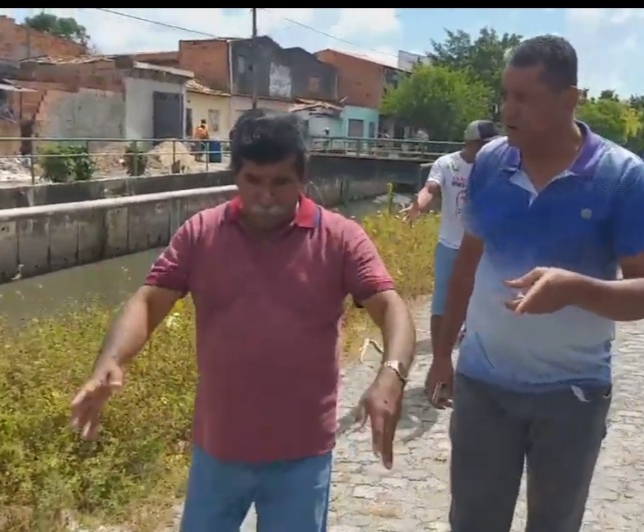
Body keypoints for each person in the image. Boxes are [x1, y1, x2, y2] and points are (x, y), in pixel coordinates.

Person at [70, 110, 416, 532]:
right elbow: (148, 301)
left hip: (302, 454)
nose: (266, 196)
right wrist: (112, 360)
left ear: (303, 179)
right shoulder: (202, 233)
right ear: (236, 176)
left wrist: (391, 375)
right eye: (253, 180)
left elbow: (390, 306)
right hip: (218, 451)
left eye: (280, 182)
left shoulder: (340, 238)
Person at [426, 35, 644, 532]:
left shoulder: (620, 177)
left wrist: (574, 287)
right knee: (472, 521)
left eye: (525, 98)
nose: (508, 111)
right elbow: (466, 266)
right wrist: (442, 355)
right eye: (505, 95)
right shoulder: (490, 163)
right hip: (483, 388)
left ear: (569, 99)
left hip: (572, 397)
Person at [402, 119, 499, 372]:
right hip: (450, 245)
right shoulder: (447, 164)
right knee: (442, 305)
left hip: (482, 248)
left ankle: (470, 366)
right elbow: (430, 188)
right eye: (484, 145)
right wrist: (419, 205)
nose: (488, 150)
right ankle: (439, 361)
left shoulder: (494, 167)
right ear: (470, 143)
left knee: (478, 305)